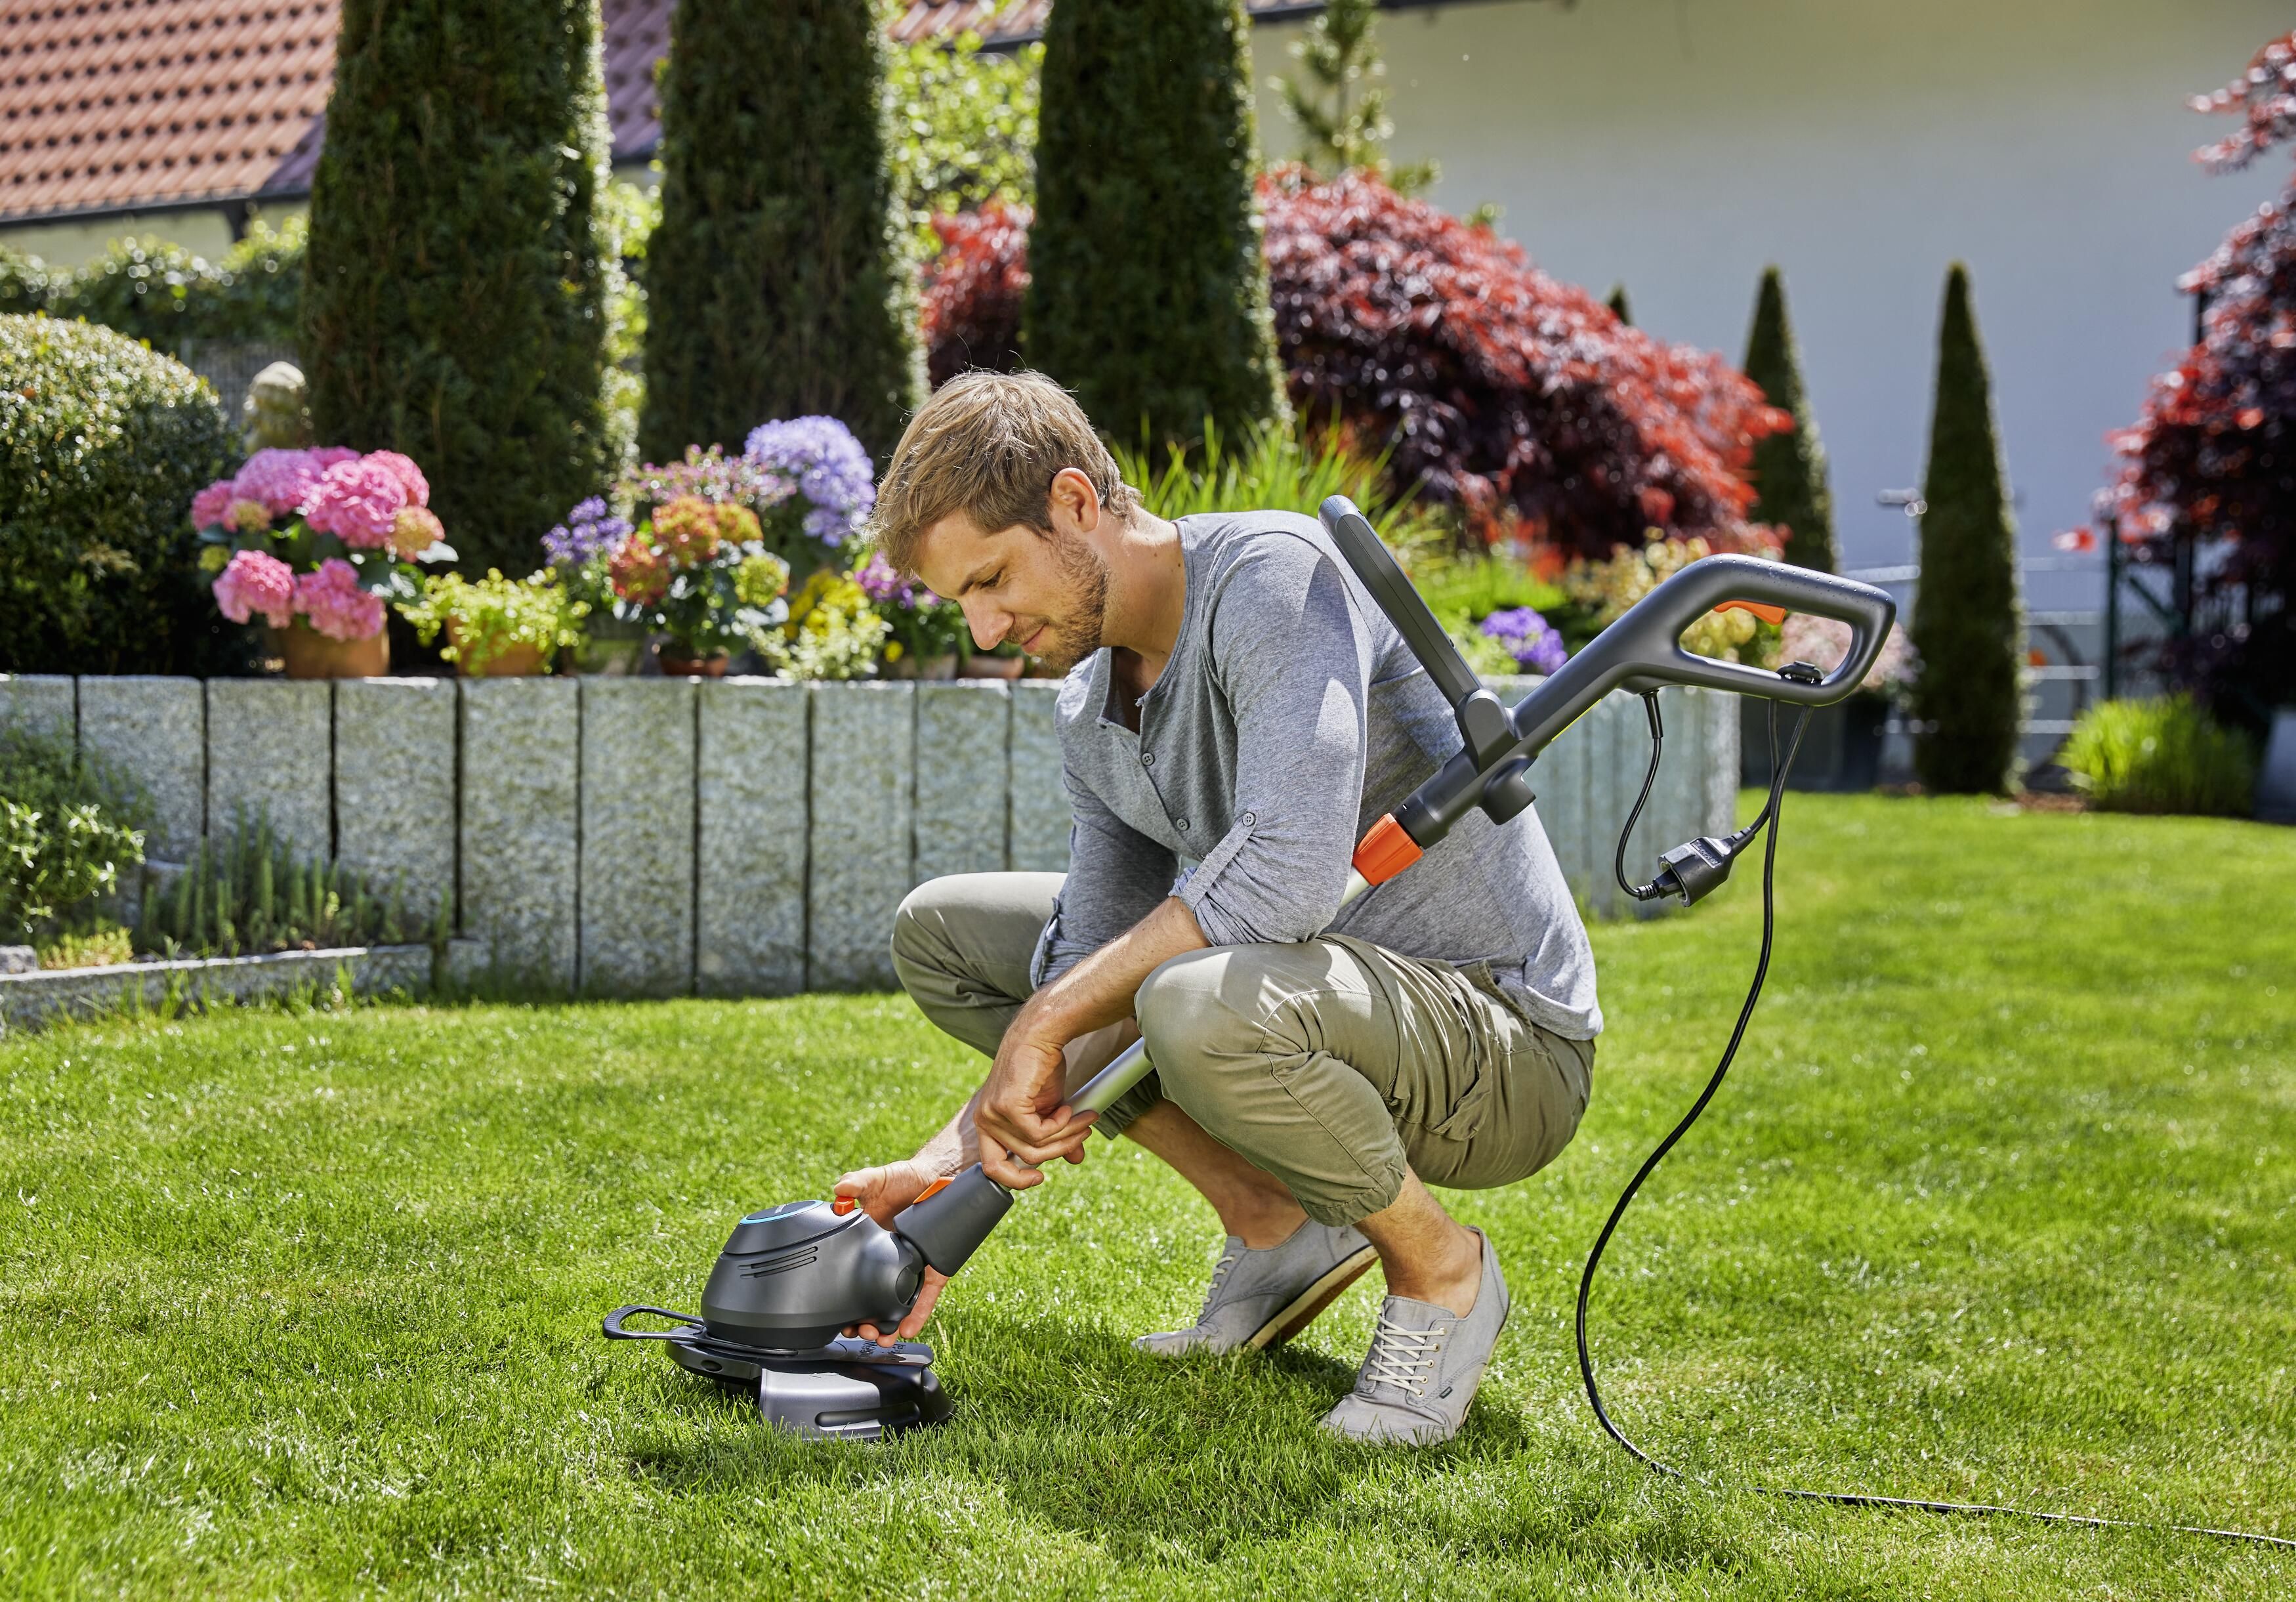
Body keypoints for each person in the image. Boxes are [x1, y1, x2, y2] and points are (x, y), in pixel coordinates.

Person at [834, 371, 1600, 1444]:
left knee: (1187, 1001)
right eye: (962, 597)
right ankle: (1276, 1222)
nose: (986, 623)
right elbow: (1095, 960)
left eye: (993, 578)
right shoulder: (1091, 704)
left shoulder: (1276, 579)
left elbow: (1285, 873)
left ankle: (1442, 1271)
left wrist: (1044, 1021)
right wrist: (946, 1165)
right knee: (950, 935)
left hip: (1504, 1043)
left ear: (1073, 505)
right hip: (1307, 1006)